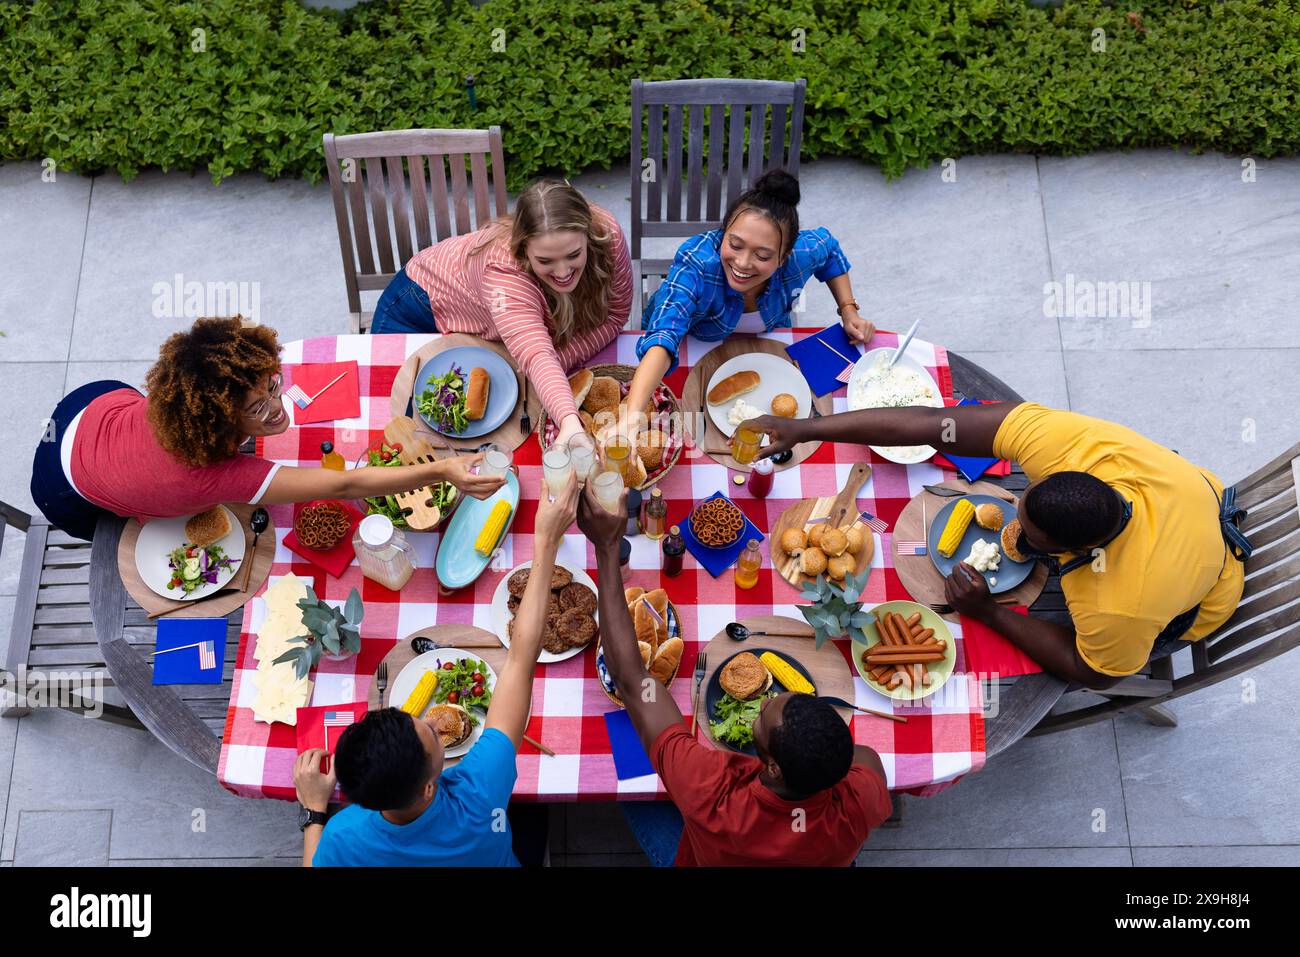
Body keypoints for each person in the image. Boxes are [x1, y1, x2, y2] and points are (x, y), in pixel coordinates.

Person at [746, 402, 1251, 686]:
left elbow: (1093, 672)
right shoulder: (1071, 445)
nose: (1016, 530)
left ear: (1069, 553)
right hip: (1186, 496)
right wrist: (808, 428)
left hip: (1203, 592)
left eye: (1031, 539)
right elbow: (933, 425)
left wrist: (987, 612)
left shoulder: (1121, 606)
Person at [575, 484, 892, 867]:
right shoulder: (860, 802)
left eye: (764, 713)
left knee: (631, 796)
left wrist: (607, 550)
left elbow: (631, 679)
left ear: (772, 767)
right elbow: (869, 759)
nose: (766, 701)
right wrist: (817, 758)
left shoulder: (710, 790)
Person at [295, 474, 580, 866]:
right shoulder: (477, 796)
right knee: (536, 806)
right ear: (430, 787)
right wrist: (545, 543)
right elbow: (520, 658)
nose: (430, 720)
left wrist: (314, 812)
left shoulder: (343, 836)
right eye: (432, 734)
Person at [29, 316, 503, 540]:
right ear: (215, 419)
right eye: (258, 407)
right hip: (64, 489)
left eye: (272, 385)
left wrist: (252, 406)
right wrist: (444, 471)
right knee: (121, 534)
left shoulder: (189, 402)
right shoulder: (220, 476)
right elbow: (346, 481)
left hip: (93, 404)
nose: (280, 408)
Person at [370, 178, 632, 451]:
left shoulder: (607, 231)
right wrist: (569, 421)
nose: (563, 272)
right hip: (415, 305)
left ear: (588, 235)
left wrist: (558, 360)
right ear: (523, 249)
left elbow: (616, 314)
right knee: (393, 415)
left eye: (574, 254)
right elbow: (536, 355)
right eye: (545, 261)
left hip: (473, 315)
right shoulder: (503, 274)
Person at [621, 169, 874, 433]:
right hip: (692, 341)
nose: (742, 264)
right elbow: (664, 335)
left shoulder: (803, 253)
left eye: (763, 256)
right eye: (735, 244)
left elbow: (830, 249)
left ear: (785, 257)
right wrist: (631, 416)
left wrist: (848, 310)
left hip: (764, 342)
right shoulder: (696, 263)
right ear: (724, 231)